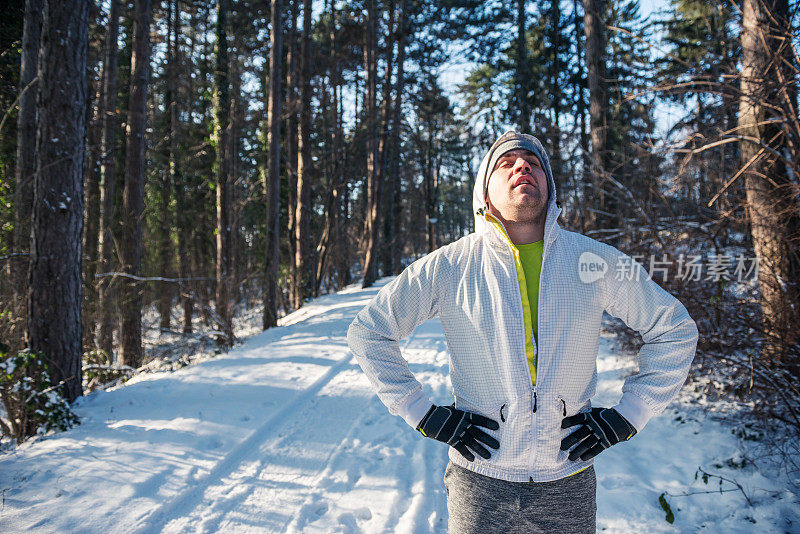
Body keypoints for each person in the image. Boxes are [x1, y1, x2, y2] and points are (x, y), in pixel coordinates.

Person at [346, 131, 699, 533]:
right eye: (505, 162)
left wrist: (631, 414)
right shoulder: (449, 266)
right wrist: (421, 413)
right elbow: (369, 332)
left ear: (549, 186)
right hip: (479, 480)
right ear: (485, 191)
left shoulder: (592, 260)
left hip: (567, 479)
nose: (522, 166)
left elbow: (674, 327)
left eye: (532, 162)